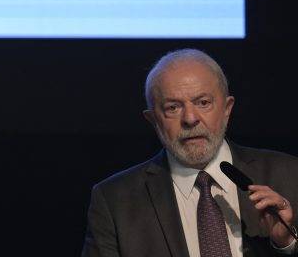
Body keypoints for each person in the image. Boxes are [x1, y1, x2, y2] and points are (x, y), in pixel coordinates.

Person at [81, 49, 298, 257]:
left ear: (227, 109)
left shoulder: (289, 175)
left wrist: (286, 244)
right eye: (173, 108)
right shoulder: (115, 201)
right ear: (153, 120)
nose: (190, 119)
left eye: (203, 103)